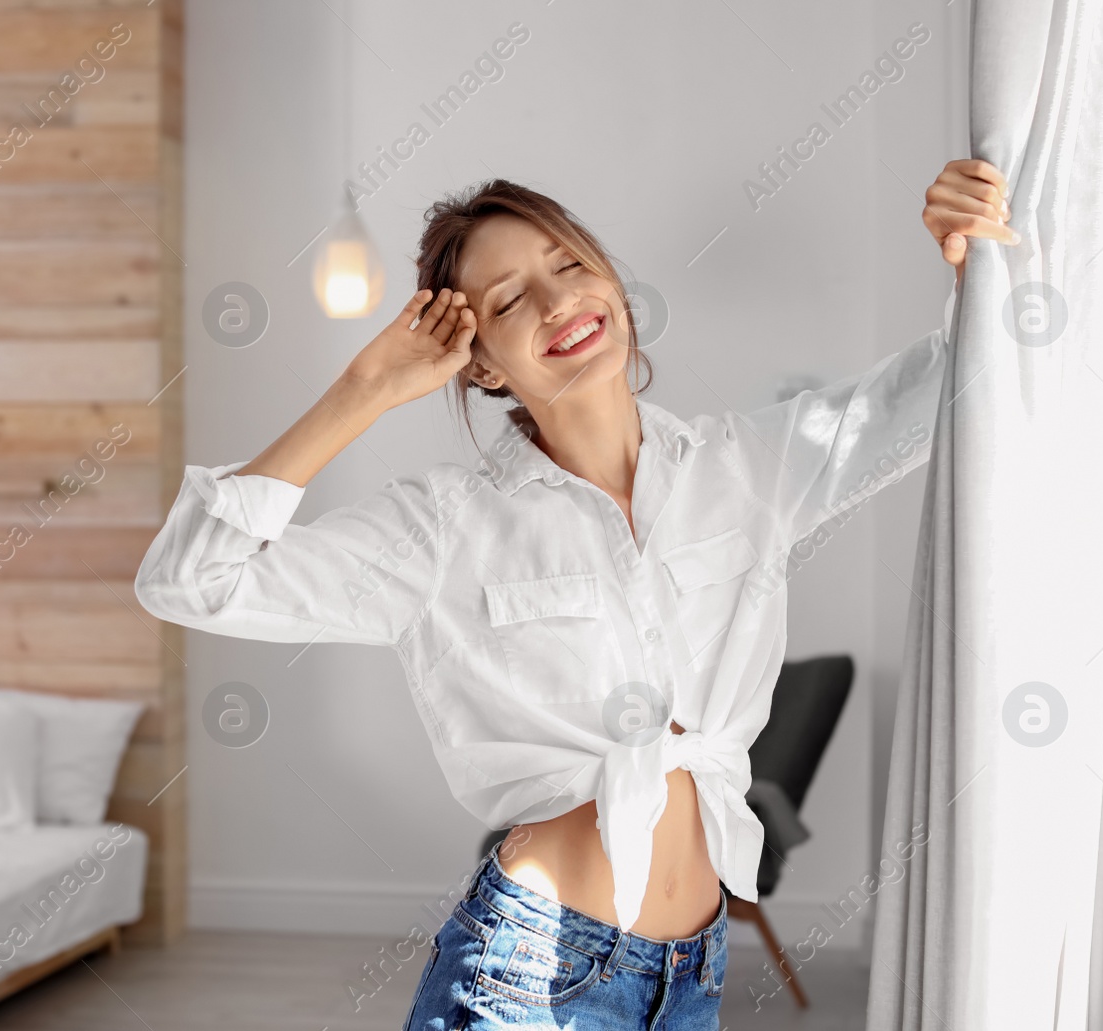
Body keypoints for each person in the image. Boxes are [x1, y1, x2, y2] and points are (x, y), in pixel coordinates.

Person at [135, 159, 1013, 1030]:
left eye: (569, 267)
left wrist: (975, 262)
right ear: (476, 364)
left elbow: (959, 389)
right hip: (527, 973)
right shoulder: (443, 528)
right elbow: (189, 580)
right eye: (510, 302)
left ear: (613, 286)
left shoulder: (748, 468)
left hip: (694, 973)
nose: (558, 304)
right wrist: (365, 390)